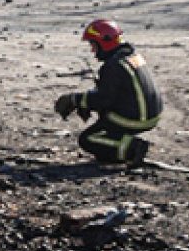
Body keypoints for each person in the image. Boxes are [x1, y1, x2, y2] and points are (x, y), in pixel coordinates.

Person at [55, 19, 161, 165]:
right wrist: (85, 103)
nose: (92, 50)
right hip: (150, 115)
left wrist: (75, 100)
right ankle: (114, 153)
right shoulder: (133, 57)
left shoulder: (113, 66)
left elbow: (103, 99)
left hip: (136, 119)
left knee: (88, 139)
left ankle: (133, 148)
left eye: (93, 45)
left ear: (103, 42)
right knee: (104, 121)